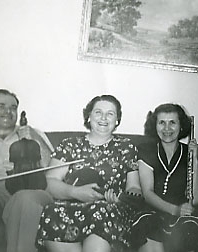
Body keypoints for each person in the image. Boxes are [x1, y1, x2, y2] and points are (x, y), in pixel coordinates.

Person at [35, 95, 141, 252]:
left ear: (117, 120)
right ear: (88, 116)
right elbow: (50, 182)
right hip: (67, 208)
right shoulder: (70, 145)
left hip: (108, 210)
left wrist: (123, 198)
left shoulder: (126, 147)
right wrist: (75, 192)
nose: (103, 118)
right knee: (52, 211)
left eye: (110, 114)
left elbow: (135, 187)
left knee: (103, 212)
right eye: (98, 112)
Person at [0, 89, 54, 252]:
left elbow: (53, 166)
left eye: (13, 107)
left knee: (24, 199)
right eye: (1, 106)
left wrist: (35, 139)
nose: (8, 111)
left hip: (31, 191)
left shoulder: (33, 134)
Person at [135, 103, 198, 252]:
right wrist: (175, 210)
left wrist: (195, 160)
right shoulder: (146, 150)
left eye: (172, 122)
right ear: (155, 126)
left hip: (183, 215)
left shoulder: (191, 153)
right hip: (152, 211)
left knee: (189, 231)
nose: (167, 129)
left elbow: (197, 198)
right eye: (162, 123)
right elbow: (147, 193)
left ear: (181, 126)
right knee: (149, 227)